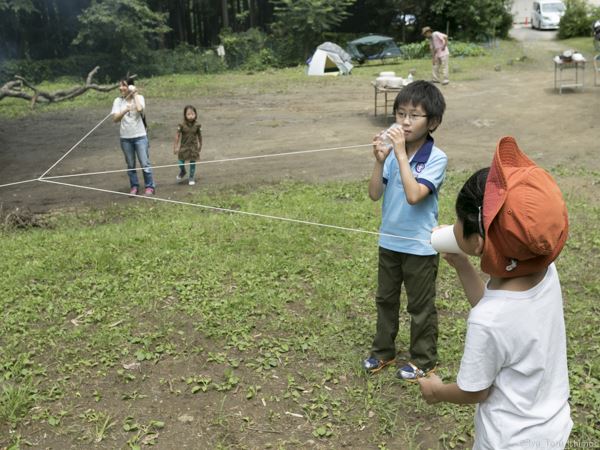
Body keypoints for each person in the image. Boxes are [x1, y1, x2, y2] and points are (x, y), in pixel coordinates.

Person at [418, 136, 572, 449]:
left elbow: (476, 391)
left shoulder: (487, 321)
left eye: (459, 220)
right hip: (551, 429)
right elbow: (501, 315)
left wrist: (436, 391)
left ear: (477, 243)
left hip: (508, 440)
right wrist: (462, 265)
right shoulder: (542, 271)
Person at [363, 81, 448, 380]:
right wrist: (379, 162)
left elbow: (414, 196)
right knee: (385, 299)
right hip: (389, 242)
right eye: (401, 114)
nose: (405, 122)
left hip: (419, 248)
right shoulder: (391, 156)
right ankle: (382, 351)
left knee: (420, 306)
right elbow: (375, 194)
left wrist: (399, 154)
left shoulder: (436, 159)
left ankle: (424, 360)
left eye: (414, 115)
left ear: (433, 122)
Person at [111, 77, 156, 196]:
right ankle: (134, 186)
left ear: (130, 86)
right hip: (125, 138)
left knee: (145, 163)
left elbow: (140, 109)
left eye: (124, 85)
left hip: (140, 136)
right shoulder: (117, 101)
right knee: (130, 164)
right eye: (120, 85)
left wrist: (135, 94)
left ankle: (149, 186)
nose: (121, 88)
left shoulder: (140, 98)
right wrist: (125, 110)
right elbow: (115, 119)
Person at [173, 105, 202, 186]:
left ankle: (191, 177)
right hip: (183, 147)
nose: (191, 116)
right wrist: (175, 147)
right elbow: (177, 136)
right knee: (180, 162)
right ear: (185, 115)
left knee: (192, 163)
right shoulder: (181, 125)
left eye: (192, 114)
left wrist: (200, 145)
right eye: (188, 114)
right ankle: (183, 171)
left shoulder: (197, 125)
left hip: (193, 147)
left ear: (195, 114)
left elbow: (199, 136)